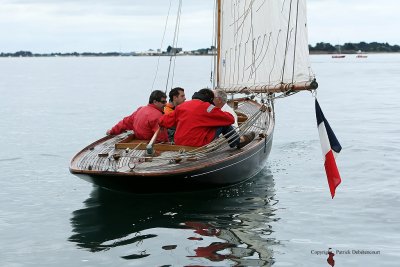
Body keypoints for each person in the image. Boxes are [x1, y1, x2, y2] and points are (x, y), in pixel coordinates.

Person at [159, 88, 255, 148]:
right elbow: (230, 119)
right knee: (224, 123)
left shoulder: (181, 106)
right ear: (210, 99)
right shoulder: (208, 107)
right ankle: (237, 142)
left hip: (179, 143)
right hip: (197, 144)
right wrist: (215, 117)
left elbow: (163, 121)